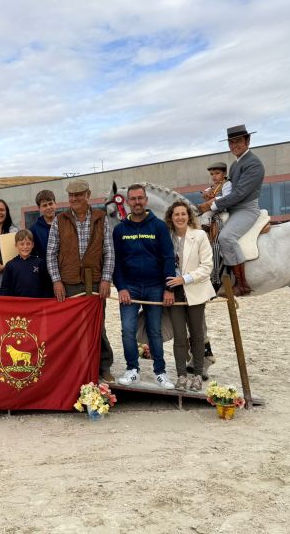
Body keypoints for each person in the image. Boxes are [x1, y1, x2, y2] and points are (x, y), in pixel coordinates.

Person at [47, 179, 115, 383]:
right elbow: (51, 253)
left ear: (88, 194)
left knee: (98, 325)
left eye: (79, 194)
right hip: (68, 282)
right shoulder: (60, 220)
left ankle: (104, 366)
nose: (74, 199)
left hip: (94, 282)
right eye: (71, 195)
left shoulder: (101, 218)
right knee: (70, 327)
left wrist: (106, 279)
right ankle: (73, 366)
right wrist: (56, 281)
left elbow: (109, 252)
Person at [112, 184, 176, 390]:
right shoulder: (120, 230)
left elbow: (168, 258)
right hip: (129, 288)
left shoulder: (158, 226)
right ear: (128, 202)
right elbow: (117, 262)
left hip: (155, 287)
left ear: (146, 200)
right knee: (128, 330)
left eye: (140, 198)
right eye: (133, 199)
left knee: (154, 331)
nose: (137, 202)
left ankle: (160, 372)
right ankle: (133, 370)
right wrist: (121, 287)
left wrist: (169, 288)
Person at [198, 125, 265, 296]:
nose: (234, 145)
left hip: (246, 209)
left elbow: (240, 193)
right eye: (231, 142)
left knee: (227, 237)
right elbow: (228, 191)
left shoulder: (254, 164)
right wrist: (211, 197)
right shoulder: (236, 164)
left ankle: (242, 284)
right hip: (232, 207)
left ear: (247, 141)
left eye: (238, 141)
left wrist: (212, 204)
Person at [164, 201, 215, 391]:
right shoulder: (167, 238)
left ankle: (197, 374)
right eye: (176, 214)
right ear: (171, 217)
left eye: (183, 214)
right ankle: (181, 375)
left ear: (189, 216)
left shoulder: (200, 235)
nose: (180, 217)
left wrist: (185, 279)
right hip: (174, 292)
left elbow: (207, 266)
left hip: (195, 290)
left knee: (197, 335)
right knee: (179, 337)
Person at [1, 230, 52, 298]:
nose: (25, 247)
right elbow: (5, 288)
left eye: (28, 244)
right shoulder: (10, 265)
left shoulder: (40, 263)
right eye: (22, 244)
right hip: (18, 304)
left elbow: (47, 286)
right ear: (16, 245)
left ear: (32, 245)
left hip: (37, 304)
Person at [29, 189, 57, 268]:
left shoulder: (64, 223)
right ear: (39, 208)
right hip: (45, 273)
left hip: (65, 271)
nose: (48, 207)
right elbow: (32, 254)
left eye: (50, 204)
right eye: (44, 205)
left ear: (55, 204)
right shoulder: (33, 229)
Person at [199, 162, 232, 226]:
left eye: (217, 173)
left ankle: (206, 226)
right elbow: (206, 191)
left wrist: (214, 199)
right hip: (213, 207)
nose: (214, 176)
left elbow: (226, 197)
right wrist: (205, 194)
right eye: (211, 174)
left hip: (221, 207)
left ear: (224, 174)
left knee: (206, 215)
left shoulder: (226, 184)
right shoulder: (213, 185)